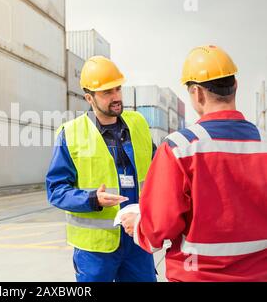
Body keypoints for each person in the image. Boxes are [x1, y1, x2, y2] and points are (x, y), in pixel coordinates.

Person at [121, 45, 267, 281]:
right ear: (235, 86)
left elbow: (159, 226)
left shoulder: (179, 148)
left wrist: (138, 224)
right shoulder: (263, 144)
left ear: (197, 93)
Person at [46, 56, 157, 282]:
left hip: (137, 237)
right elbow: (56, 190)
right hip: (95, 249)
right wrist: (91, 199)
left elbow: (159, 174)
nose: (116, 97)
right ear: (89, 98)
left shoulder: (139, 124)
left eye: (117, 89)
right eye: (107, 93)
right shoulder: (71, 134)